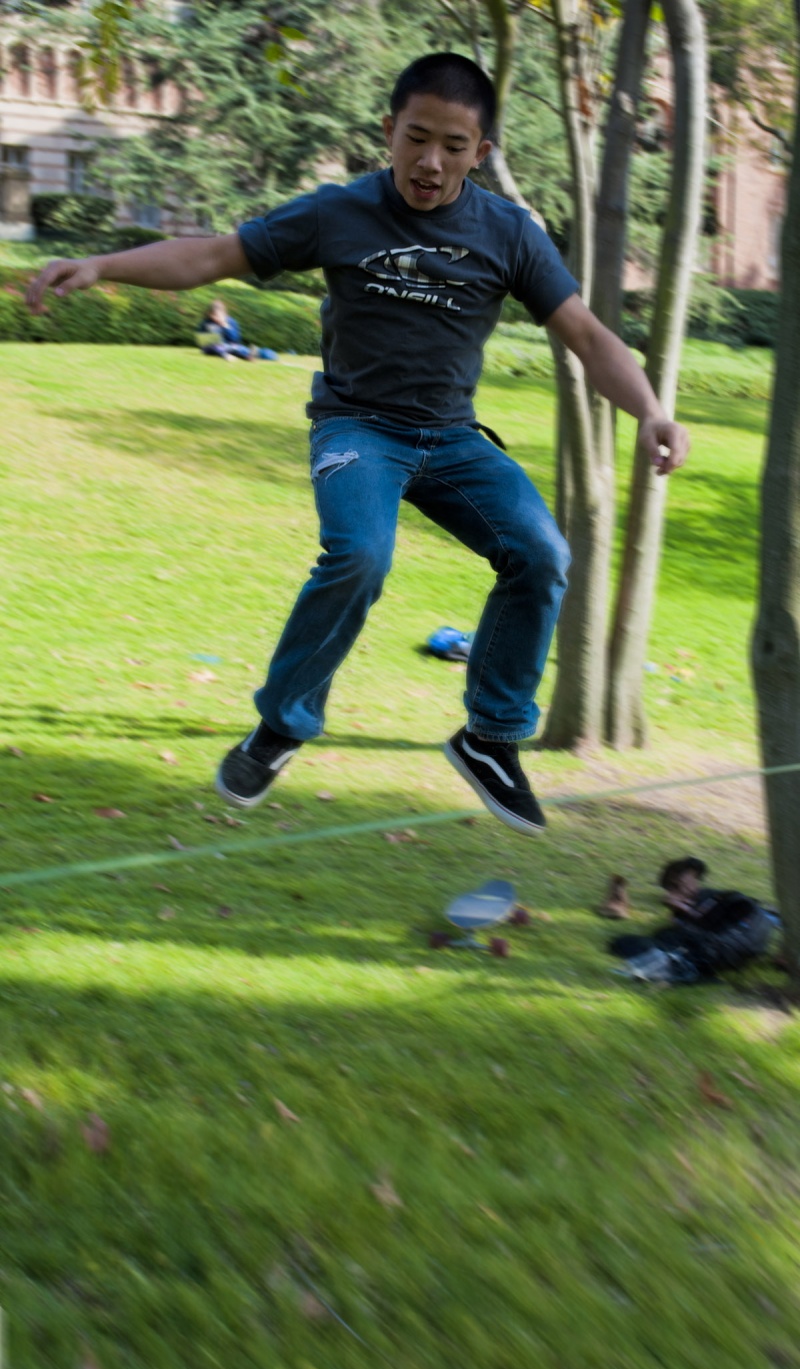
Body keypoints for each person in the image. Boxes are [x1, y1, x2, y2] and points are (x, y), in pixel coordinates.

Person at [26, 52, 690, 835]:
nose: (430, 162)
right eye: (415, 138)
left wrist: (649, 408)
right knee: (360, 554)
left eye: (452, 145)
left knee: (542, 553)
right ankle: (282, 723)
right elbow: (211, 255)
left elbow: (584, 332)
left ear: (481, 153)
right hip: (358, 429)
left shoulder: (508, 232)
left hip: (451, 439)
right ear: (389, 132)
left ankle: (489, 738)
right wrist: (103, 264)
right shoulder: (337, 212)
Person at [609, 856, 779, 983]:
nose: (690, 886)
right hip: (737, 944)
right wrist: (680, 911)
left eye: (692, 879)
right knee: (661, 937)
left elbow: (729, 918)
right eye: (680, 883)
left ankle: (674, 964)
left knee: (664, 937)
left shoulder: (715, 897)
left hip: (734, 941)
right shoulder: (689, 908)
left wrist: (683, 913)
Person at [196, 296, 278, 362]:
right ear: (210, 314)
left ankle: (252, 353)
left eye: (220, 315)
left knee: (266, 354)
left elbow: (235, 339)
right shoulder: (206, 323)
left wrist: (225, 326)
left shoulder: (231, 321)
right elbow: (205, 344)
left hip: (232, 346)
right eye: (214, 315)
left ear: (225, 314)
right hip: (214, 348)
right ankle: (240, 355)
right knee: (219, 347)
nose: (217, 318)